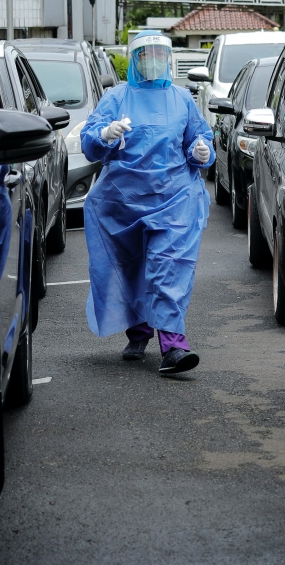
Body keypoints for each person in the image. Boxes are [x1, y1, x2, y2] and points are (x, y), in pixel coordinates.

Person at [81, 31, 214, 375]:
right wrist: (105, 135)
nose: (153, 59)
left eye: (160, 53)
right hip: (123, 200)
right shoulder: (117, 97)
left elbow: (200, 138)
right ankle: (138, 332)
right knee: (132, 266)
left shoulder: (182, 98)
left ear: (168, 58)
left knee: (166, 266)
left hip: (175, 199)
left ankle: (173, 346)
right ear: (135, 58)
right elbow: (90, 142)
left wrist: (201, 151)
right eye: (146, 53)